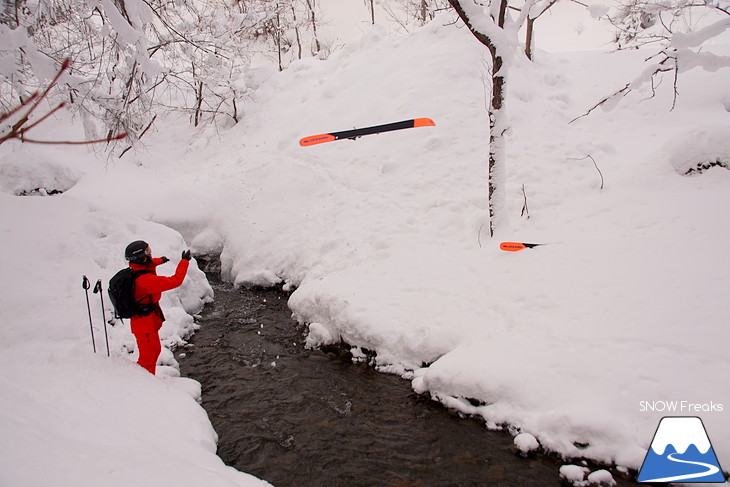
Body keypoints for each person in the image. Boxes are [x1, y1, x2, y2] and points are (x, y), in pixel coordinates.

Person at [124, 240, 191, 375]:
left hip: (145, 321)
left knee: (153, 352)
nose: (150, 253)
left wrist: (160, 260)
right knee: (149, 356)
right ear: (141, 257)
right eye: (147, 252)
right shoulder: (145, 281)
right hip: (144, 324)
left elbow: (150, 263)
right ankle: (144, 381)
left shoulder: (137, 268)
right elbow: (175, 281)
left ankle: (147, 379)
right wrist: (184, 261)